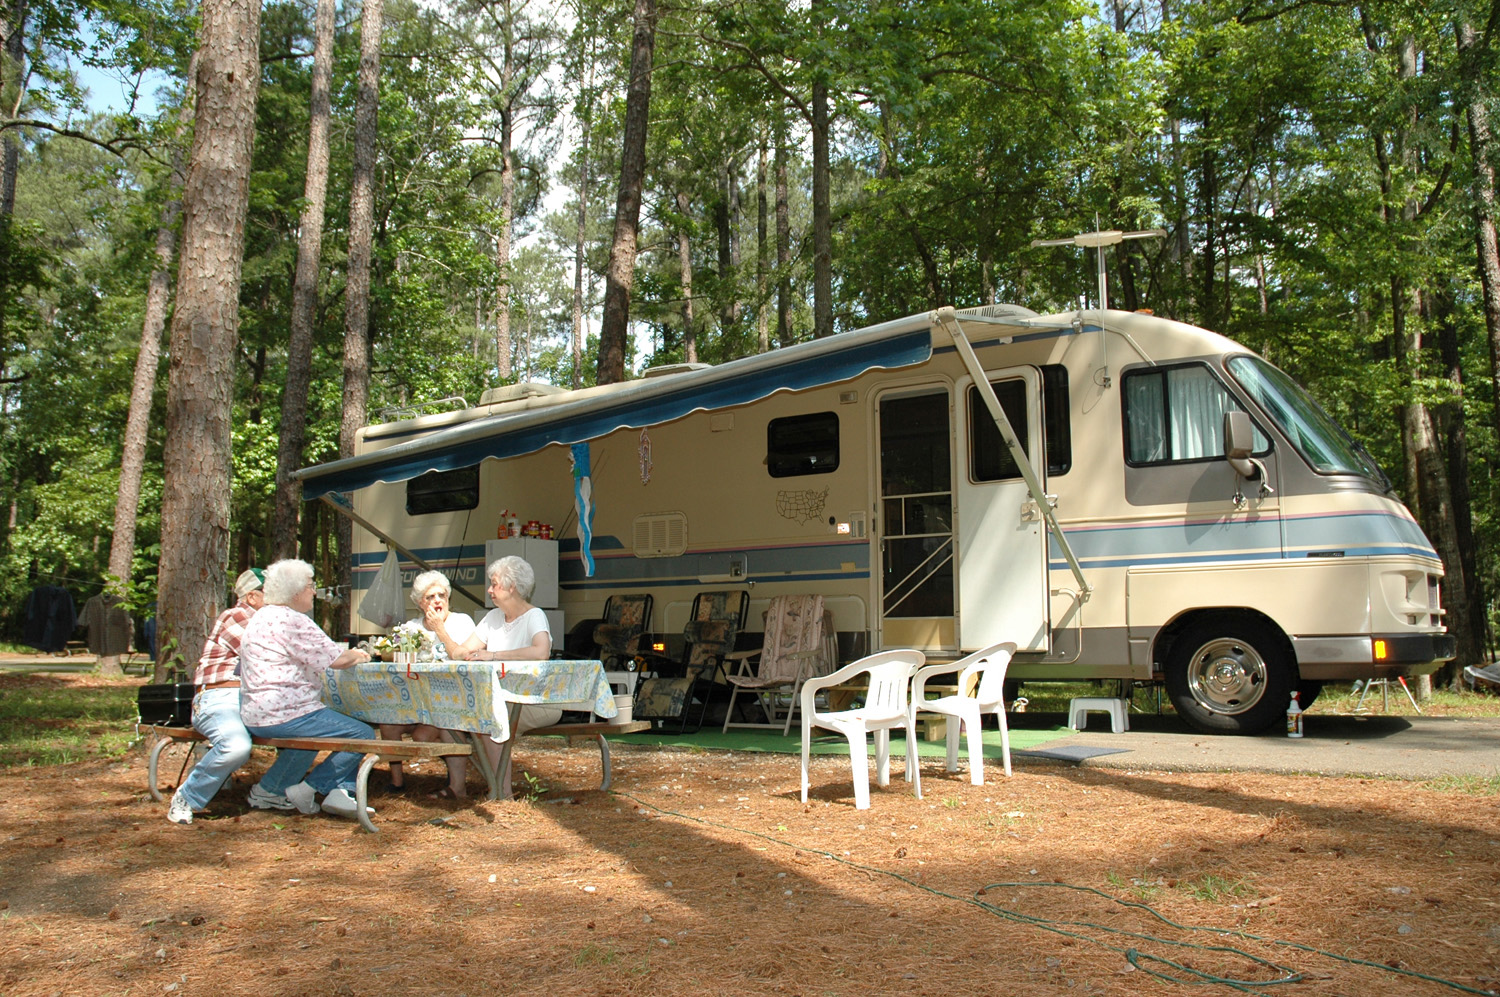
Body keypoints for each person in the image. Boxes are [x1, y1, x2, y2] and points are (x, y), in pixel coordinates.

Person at [238, 559, 375, 819]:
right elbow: (338, 660)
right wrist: (361, 654)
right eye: (311, 585)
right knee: (362, 733)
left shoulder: (261, 617)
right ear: (296, 591)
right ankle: (312, 788)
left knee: (308, 739)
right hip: (285, 713)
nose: (314, 592)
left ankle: (271, 789)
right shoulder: (293, 620)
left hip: (256, 713)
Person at [166, 568, 266, 825]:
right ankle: (186, 796)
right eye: (273, 592)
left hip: (254, 700)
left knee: (306, 730)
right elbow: (268, 651)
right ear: (253, 597)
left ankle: (272, 791)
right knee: (236, 746)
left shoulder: (269, 619)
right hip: (220, 696)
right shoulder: (238, 616)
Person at [455, 555, 556, 774]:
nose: (489, 590)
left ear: (512, 587)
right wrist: (463, 651)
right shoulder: (492, 617)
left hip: (536, 700)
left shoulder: (534, 615)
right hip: (503, 698)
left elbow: (541, 651)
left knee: (489, 720)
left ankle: (503, 793)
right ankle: (465, 787)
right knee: (465, 715)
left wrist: (491, 655)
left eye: (494, 584)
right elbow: (463, 650)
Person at [379, 570, 475, 797]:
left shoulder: (462, 622)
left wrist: (440, 629)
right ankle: (397, 783)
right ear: (420, 603)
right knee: (388, 723)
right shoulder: (412, 627)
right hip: (415, 701)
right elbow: (386, 653)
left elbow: (466, 658)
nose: (437, 601)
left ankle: (456, 782)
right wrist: (397, 652)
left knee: (424, 735)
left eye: (441, 595)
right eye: (430, 597)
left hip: (453, 700)